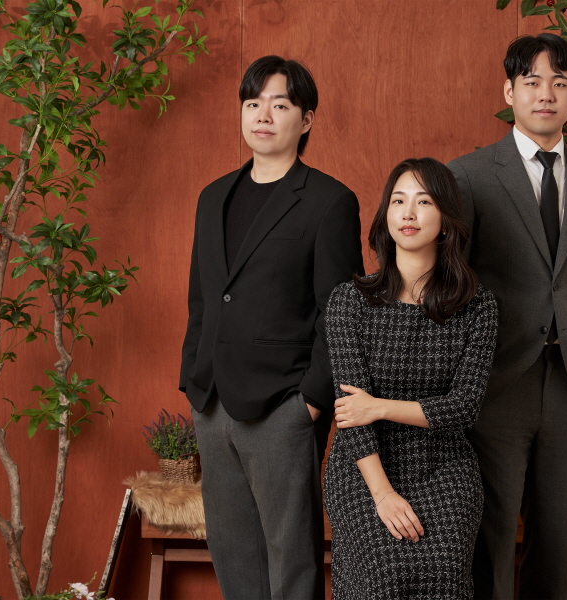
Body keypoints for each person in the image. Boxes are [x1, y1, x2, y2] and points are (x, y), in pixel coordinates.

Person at [447, 34, 567, 599]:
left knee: (555, 543)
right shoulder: (469, 175)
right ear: (510, 92)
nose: (545, 94)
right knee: (492, 537)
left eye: (559, 83)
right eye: (532, 82)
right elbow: (449, 287)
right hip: (498, 384)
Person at [179, 55, 363, 600]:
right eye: (253, 103)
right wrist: (193, 380)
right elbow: (202, 298)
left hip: (283, 406)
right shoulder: (213, 197)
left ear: (306, 120)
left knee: (291, 560)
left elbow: (341, 312)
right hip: (212, 402)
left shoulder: (330, 201)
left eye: (280, 105)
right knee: (232, 552)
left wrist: (311, 402)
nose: (263, 115)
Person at [323, 158, 498, 599]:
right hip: (365, 469)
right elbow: (351, 416)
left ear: (445, 220)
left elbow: (463, 408)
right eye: (398, 201)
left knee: (445, 578)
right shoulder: (349, 301)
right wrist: (382, 494)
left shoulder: (478, 306)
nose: (409, 213)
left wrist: (378, 406)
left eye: (424, 202)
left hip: (444, 468)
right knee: (381, 579)